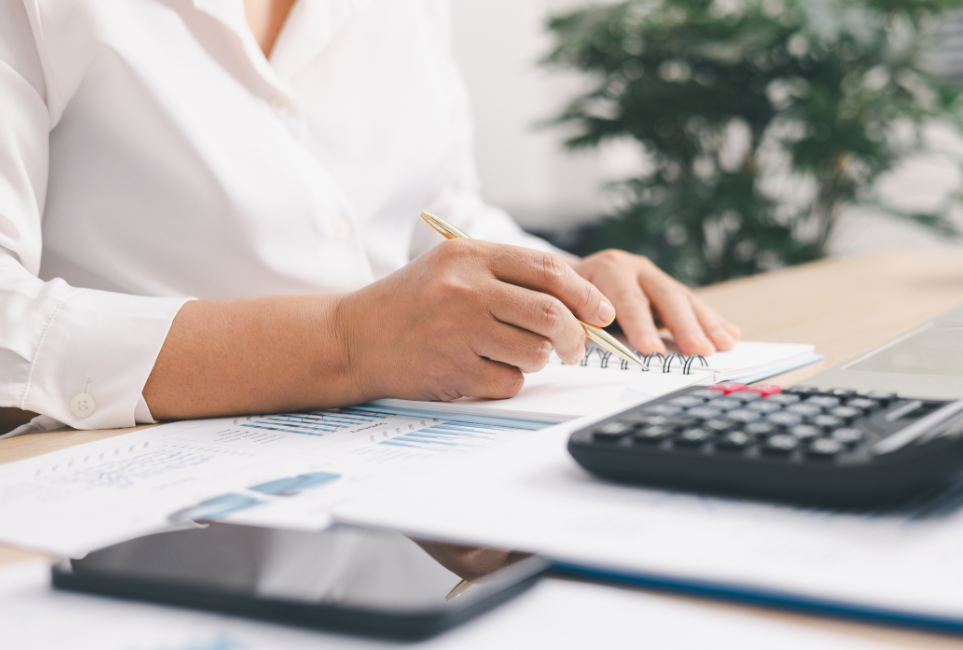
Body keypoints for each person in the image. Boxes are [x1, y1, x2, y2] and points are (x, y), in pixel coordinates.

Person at [0, 0, 740, 436]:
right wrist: (344, 343)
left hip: (410, 495)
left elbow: (437, 212)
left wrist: (559, 284)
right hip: (132, 534)